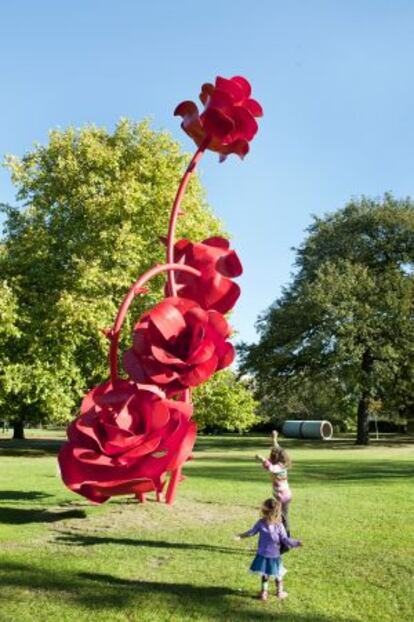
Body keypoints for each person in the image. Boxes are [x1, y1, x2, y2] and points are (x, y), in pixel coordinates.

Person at [235, 498, 302, 601]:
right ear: (277, 511)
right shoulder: (279, 525)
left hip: (262, 554)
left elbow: (251, 532)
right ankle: (279, 592)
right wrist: (296, 543)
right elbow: (284, 539)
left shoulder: (261, 522)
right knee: (278, 574)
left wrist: (241, 536)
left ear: (264, 510)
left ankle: (263, 594)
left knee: (265, 574)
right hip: (274, 556)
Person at [255, 430, 292, 535]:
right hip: (280, 496)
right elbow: (277, 448)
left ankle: (285, 539)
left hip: (283, 497)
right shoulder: (281, 459)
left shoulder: (280, 466)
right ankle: (282, 538)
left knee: (282, 518)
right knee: (280, 516)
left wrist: (262, 459)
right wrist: (274, 438)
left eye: (272, 455)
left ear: (277, 457)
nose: (270, 456)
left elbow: (271, 468)